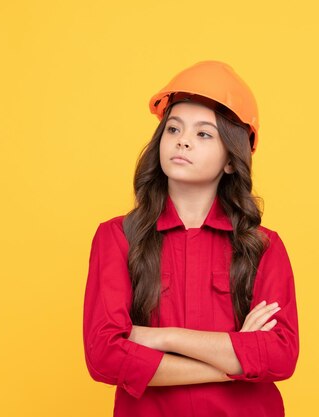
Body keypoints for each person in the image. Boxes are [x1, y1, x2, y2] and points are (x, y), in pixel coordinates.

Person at [82, 60, 299, 417]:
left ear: (231, 160)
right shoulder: (117, 237)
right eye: (173, 129)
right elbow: (104, 356)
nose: (182, 141)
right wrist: (235, 361)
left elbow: (280, 355)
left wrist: (162, 337)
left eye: (203, 134)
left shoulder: (263, 246)